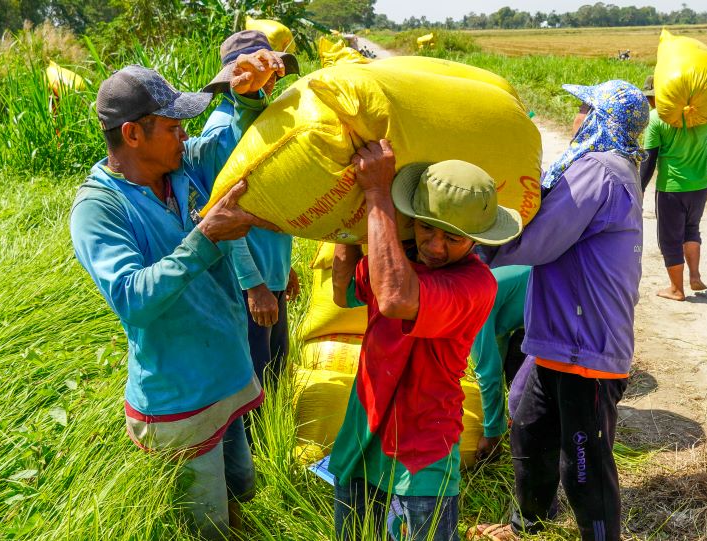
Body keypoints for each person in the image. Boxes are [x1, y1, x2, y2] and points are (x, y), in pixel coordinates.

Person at [70, 52, 285, 539]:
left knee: (237, 494)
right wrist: (206, 237)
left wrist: (249, 95)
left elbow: (238, 145)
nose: (185, 135)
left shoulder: (184, 167)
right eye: (172, 126)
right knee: (202, 524)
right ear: (132, 134)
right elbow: (133, 298)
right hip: (178, 398)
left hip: (227, 374)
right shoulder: (98, 209)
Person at [469, 80, 649, 541]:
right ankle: (528, 525)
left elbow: (538, 239)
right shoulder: (613, 165)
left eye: (583, 108)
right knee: (527, 425)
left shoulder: (600, 170)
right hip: (560, 337)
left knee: (583, 462)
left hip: (585, 346)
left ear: (599, 118)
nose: (575, 118)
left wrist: (466, 245)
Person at [329, 140, 523, 541]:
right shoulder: (396, 259)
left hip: (421, 452)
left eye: (453, 239)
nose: (435, 247)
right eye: (427, 228)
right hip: (362, 435)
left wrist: (377, 193)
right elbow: (343, 290)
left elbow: (396, 298)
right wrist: (348, 222)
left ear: (476, 240)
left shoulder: (475, 285)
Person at [203, 30, 301, 402]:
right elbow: (226, 213)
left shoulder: (256, 120)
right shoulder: (223, 127)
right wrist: (254, 285)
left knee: (276, 369)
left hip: (268, 272)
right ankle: (255, 453)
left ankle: (271, 442)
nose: (272, 78)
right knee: (256, 379)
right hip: (250, 282)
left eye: (273, 71)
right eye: (264, 70)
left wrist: (282, 268)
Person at [639, 75, 707, 301]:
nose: (650, 102)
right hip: (700, 186)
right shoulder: (702, 114)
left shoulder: (656, 119)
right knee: (691, 229)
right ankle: (695, 276)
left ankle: (676, 289)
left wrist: (639, 189)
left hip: (671, 189)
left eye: (651, 98)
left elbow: (649, 160)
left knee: (669, 239)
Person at [470, 265, 531, 463]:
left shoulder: (471, 307)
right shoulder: (475, 296)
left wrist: (492, 433)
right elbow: (499, 338)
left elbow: (489, 373)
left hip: (559, 308)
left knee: (523, 393)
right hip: (537, 312)